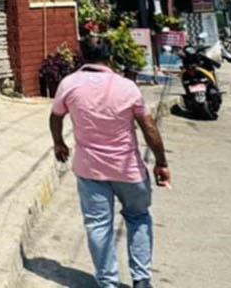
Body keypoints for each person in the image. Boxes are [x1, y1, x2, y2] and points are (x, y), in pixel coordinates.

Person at [49, 37, 170, 288]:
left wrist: (59, 143)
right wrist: (161, 163)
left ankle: (108, 282)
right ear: (110, 57)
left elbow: (56, 115)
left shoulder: (69, 84)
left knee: (98, 225)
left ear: (82, 56)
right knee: (138, 217)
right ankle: (141, 280)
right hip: (128, 169)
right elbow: (148, 127)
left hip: (90, 169)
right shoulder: (127, 87)